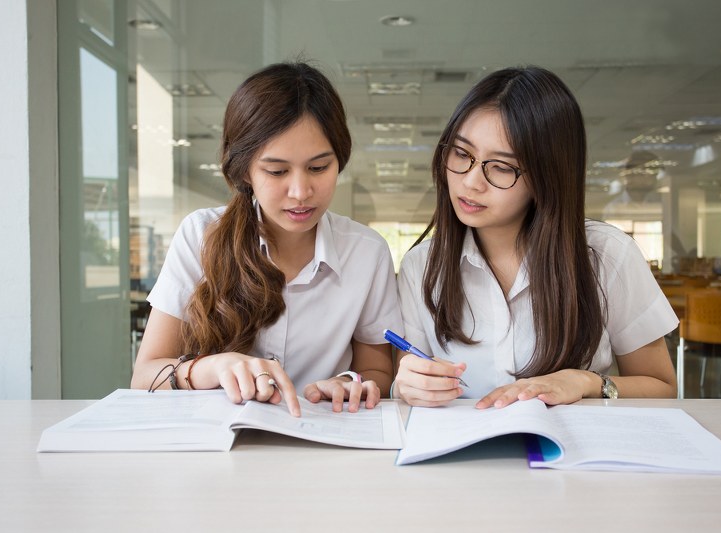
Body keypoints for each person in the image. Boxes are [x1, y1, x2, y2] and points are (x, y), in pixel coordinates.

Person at [394, 66, 679, 408]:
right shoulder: (421, 266)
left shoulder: (606, 254)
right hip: (464, 457)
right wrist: (408, 386)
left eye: (501, 167)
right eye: (461, 154)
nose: (471, 181)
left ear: (547, 178)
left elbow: (662, 386)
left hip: (573, 452)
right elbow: (408, 379)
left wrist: (585, 381)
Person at [131, 62, 402, 416]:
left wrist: (349, 383)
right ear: (244, 169)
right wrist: (212, 368)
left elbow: (378, 370)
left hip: (324, 439)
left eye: (319, 168)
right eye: (277, 171)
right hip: (218, 444)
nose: (301, 191)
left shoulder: (366, 251)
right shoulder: (202, 235)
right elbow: (144, 376)